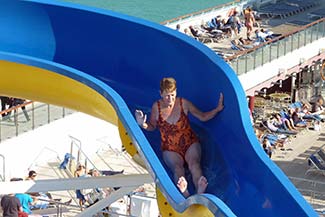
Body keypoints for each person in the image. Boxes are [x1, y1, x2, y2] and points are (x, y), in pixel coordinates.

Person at [135, 77, 224, 197]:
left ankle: (199, 193)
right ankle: (185, 194)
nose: (170, 99)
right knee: (177, 169)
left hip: (189, 142)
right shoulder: (157, 107)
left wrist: (217, 110)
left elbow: (202, 116)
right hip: (170, 147)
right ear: (161, 94)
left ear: (176, 92)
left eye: (172, 94)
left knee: (194, 164)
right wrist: (143, 124)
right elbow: (152, 126)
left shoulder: (183, 103)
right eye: (167, 96)